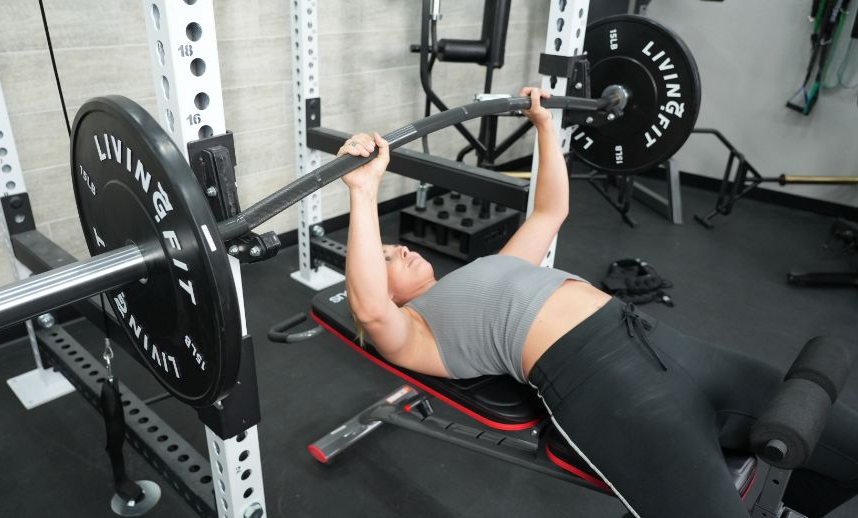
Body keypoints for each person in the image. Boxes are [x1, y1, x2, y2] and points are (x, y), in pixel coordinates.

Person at [339, 87, 858, 517]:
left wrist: (544, 124)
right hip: (607, 389)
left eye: (393, 243)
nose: (401, 246)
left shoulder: (487, 267)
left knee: (838, 435)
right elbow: (368, 309)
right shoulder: (415, 332)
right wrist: (363, 192)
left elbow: (549, 212)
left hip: (665, 343)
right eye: (385, 255)